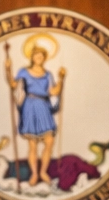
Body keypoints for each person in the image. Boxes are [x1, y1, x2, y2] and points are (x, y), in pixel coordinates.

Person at [5, 39, 65, 187]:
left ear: (44, 58)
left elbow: (53, 91)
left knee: (49, 141)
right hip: (30, 106)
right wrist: (8, 69)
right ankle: (35, 174)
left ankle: (43, 171)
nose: (39, 58)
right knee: (33, 144)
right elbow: (13, 84)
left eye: (41, 56)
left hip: (43, 107)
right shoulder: (24, 72)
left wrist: (61, 78)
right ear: (32, 57)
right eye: (36, 55)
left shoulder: (47, 74)